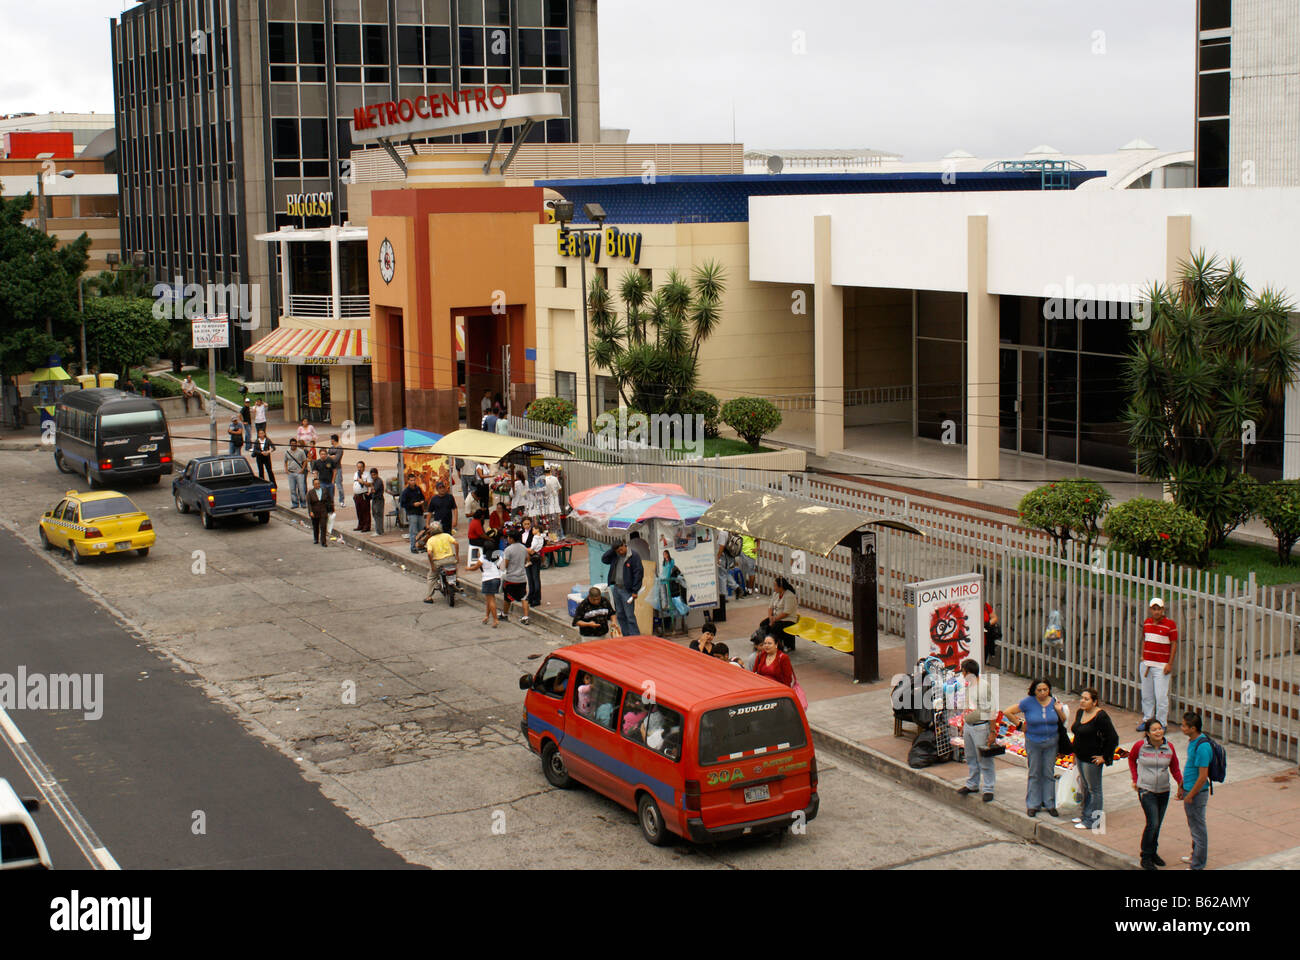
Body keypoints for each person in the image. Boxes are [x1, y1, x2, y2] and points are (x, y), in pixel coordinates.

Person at [1004, 678, 1069, 818]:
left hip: (1051, 742)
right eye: (1039, 690)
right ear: (1034, 691)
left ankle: (1050, 803)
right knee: (1034, 772)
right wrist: (1020, 725)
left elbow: (1062, 720)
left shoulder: (1053, 702)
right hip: (1033, 742)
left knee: (1048, 773)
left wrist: (1059, 710)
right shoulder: (1028, 702)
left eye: (1045, 690)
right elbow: (1008, 712)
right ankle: (1033, 804)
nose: (1043, 693)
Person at [1128, 718, 1182, 870]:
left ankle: (1153, 852)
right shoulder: (1140, 746)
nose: (1158, 732)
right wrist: (1135, 778)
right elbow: (1132, 760)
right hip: (1146, 789)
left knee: (1157, 824)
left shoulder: (1169, 747)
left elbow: (1175, 768)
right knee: (1153, 822)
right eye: (1154, 730)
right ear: (1147, 733)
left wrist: (1181, 785)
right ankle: (1145, 856)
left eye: (1160, 729)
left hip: (1164, 790)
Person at [1070, 687, 1119, 830]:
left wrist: (1105, 756)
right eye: (1082, 698)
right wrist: (1074, 754)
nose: (1083, 701)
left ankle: (1094, 820)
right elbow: (1077, 733)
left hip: (1092, 759)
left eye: (1086, 699)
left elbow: (1112, 738)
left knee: (1094, 789)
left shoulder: (1101, 716)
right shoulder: (1080, 713)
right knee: (1084, 787)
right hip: (1080, 756)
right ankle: (1085, 815)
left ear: (1094, 701)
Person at [957, 659, 997, 804]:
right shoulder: (970, 686)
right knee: (971, 756)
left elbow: (991, 710)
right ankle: (972, 784)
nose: (962, 674)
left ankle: (988, 788)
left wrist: (992, 731)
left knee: (984, 758)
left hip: (980, 727)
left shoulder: (983, 687)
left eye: (963, 671)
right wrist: (964, 723)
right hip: (969, 726)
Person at [1178, 711, 1213, 871]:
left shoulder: (1202, 747)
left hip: (1197, 794)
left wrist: (1190, 795)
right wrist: (1182, 786)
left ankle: (1198, 865)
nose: (1182, 728)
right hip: (1188, 789)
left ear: (1193, 728)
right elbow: (1189, 767)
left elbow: (1202, 776)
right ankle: (1194, 856)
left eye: (1184, 726)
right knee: (1193, 826)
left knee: (1198, 829)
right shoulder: (1192, 742)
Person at [1138, 597, 1178, 732]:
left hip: (1161, 666)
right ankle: (1147, 720)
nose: (1156, 612)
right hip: (1147, 664)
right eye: (1154, 609)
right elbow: (1144, 639)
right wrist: (1143, 656)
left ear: (1163, 610)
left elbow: (1174, 644)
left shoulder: (1170, 625)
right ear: (1150, 610)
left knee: (1161, 696)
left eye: (1158, 609)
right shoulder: (1147, 623)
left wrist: (1169, 664)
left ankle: (1162, 723)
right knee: (1147, 695)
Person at [602, 534, 644, 637]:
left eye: (621, 549)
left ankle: (635, 636)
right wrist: (613, 550)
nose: (620, 552)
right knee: (620, 614)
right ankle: (626, 636)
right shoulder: (615, 556)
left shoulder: (633, 556)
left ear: (624, 545)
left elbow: (638, 573)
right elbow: (604, 559)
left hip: (627, 590)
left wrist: (635, 590)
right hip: (617, 588)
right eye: (618, 551)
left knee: (629, 615)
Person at [422, 521, 459, 604]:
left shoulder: (430, 540)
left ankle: (429, 597)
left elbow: (429, 553)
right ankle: (455, 582)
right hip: (450, 559)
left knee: (431, 577)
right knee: (454, 570)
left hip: (438, 562)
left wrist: (432, 565)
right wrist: (457, 556)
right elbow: (456, 543)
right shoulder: (447, 535)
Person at [500, 529, 531, 625]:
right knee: (524, 597)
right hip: (522, 577)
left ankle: (505, 614)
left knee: (507, 598)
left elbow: (505, 564)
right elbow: (527, 560)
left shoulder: (508, 550)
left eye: (508, 537)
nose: (507, 539)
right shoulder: (524, 548)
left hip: (511, 578)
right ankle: (526, 616)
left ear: (512, 539)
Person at [468, 548, 502, 626]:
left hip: (488, 580)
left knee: (491, 600)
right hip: (497, 578)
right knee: (489, 600)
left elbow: (475, 567)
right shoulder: (497, 557)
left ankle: (495, 620)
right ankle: (487, 616)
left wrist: (468, 568)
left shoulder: (483, 557)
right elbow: (501, 566)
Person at [764, 577, 799, 652]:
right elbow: (770, 607)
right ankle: (768, 643)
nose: (774, 587)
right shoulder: (775, 594)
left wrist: (774, 619)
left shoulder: (789, 596)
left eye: (775, 585)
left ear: (781, 587)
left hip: (787, 619)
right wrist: (770, 618)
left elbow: (786, 613)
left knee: (775, 628)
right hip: (776, 618)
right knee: (763, 624)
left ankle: (781, 646)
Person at [521, 516, 545, 608]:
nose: (527, 526)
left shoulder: (535, 534)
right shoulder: (521, 533)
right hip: (525, 558)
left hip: (534, 557)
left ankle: (537, 598)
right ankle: (531, 595)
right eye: (525, 524)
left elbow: (539, 545)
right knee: (529, 578)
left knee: (535, 577)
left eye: (528, 524)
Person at [399, 474, 426, 554]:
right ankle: (413, 547)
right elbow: (403, 504)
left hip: (419, 512)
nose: (413, 482)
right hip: (412, 513)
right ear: (408, 481)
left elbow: (423, 497)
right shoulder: (406, 492)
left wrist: (421, 502)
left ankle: (421, 546)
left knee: (422, 530)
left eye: (414, 480)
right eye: (411, 480)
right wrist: (413, 504)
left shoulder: (418, 489)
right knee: (413, 531)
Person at [306, 475, 334, 547]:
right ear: (313, 485)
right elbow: (309, 504)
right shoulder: (310, 492)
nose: (317, 485)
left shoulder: (324, 490)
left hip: (323, 510)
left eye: (318, 483)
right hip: (315, 511)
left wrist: (331, 510)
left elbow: (329, 500)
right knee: (315, 526)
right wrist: (310, 512)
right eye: (315, 484)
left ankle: (323, 541)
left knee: (323, 526)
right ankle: (316, 538)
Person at [284, 437, 308, 508]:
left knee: (301, 489)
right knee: (292, 489)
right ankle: (295, 503)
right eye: (292, 444)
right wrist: (286, 470)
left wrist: (302, 469)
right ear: (290, 444)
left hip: (299, 472)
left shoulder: (301, 451)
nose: (293, 445)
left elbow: (305, 461)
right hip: (291, 472)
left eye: (295, 444)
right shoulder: (287, 452)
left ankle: (303, 503)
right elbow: (285, 461)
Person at [326, 434, 345, 511]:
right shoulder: (331, 448)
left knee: (339, 486)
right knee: (330, 485)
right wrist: (331, 456)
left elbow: (336, 459)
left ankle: (342, 501)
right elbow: (327, 457)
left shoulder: (339, 448)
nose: (330, 441)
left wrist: (331, 456)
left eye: (331, 440)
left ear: (333, 440)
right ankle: (331, 500)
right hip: (330, 470)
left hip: (338, 469)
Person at [352, 461, 371, 532]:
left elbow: (370, 484)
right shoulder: (356, 474)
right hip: (357, 495)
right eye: (358, 467)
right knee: (359, 511)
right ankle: (360, 525)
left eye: (361, 467)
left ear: (364, 467)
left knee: (365, 511)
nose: (359, 468)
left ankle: (366, 526)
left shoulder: (367, 474)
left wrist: (363, 482)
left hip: (363, 494)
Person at [368, 468, 386, 535]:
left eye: (374, 475)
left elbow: (374, 490)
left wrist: (370, 486)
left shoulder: (378, 481)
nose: (373, 476)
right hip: (374, 499)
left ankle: (379, 531)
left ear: (377, 474)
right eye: (372, 475)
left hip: (379, 500)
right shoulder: (374, 481)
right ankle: (378, 530)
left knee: (378, 515)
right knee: (375, 514)